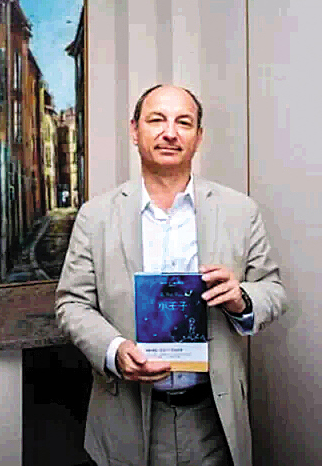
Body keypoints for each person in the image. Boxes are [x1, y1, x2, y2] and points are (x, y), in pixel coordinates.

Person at [55, 84, 287, 466]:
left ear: (199, 137)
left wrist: (241, 299)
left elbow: (273, 291)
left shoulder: (240, 211)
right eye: (156, 120)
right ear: (135, 130)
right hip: (126, 414)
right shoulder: (95, 217)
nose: (170, 132)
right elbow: (71, 304)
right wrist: (114, 350)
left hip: (213, 417)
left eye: (183, 122)